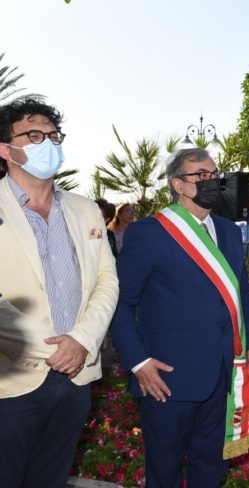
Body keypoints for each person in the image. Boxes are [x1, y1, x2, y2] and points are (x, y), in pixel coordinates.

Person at [111, 148, 249, 486]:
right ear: (179, 184)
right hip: (168, 379)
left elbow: (242, 294)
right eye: (201, 175)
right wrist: (137, 363)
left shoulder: (229, 231)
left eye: (215, 174)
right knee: (164, 471)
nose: (212, 181)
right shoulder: (149, 232)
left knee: (210, 469)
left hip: (224, 372)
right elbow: (118, 304)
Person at [0, 97, 119, 487]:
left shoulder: (86, 210)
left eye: (53, 135)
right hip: (12, 380)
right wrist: (55, 349)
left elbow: (107, 282)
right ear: (5, 149)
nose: (47, 143)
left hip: (75, 378)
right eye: (33, 135)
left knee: (50, 479)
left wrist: (82, 342)